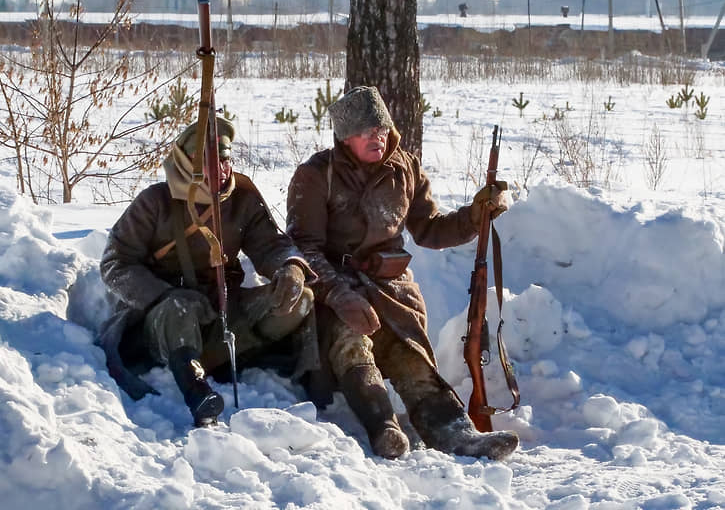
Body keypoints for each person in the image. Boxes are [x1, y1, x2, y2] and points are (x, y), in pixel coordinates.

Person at [286, 86, 518, 460]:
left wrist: (476, 216)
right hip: (334, 288)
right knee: (352, 343)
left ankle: (457, 434)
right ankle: (384, 427)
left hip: (392, 291)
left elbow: (430, 229)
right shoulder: (316, 175)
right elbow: (302, 247)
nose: (375, 138)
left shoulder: (405, 168)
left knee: (411, 356)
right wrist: (340, 296)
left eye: (380, 129)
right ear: (345, 138)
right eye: (364, 132)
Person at [99, 116, 318, 427]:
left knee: (300, 300)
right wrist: (163, 295)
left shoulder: (242, 198)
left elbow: (271, 245)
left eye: (225, 160)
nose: (220, 169)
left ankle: (289, 375)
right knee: (180, 308)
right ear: (185, 162)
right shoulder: (155, 202)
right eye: (207, 161)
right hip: (161, 319)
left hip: (221, 314)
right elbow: (115, 263)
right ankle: (196, 389)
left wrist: (291, 267)